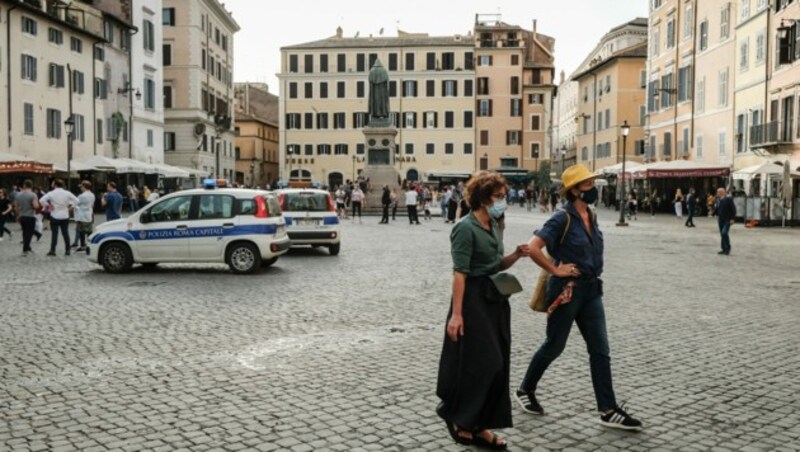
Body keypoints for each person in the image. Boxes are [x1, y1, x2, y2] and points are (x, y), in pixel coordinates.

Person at [516, 164, 643, 431]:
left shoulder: (592, 216)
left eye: (591, 184)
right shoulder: (561, 218)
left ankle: (608, 410)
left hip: (591, 290)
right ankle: (525, 389)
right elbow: (533, 247)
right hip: (567, 291)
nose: (592, 189)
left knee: (600, 349)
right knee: (554, 345)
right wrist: (555, 269)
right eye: (587, 185)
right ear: (574, 191)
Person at [436, 171, 529, 449]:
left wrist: (515, 254)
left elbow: (496, 264)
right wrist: (456, 315)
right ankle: (459, 417)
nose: (504, 201)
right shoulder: (465, 228)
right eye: (499, 197)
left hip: (496, 299)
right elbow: (459, 274)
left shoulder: (496, 224)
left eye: (504, 196)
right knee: (485, 363)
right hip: (473, 300)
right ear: (483, 197)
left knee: (499, 365)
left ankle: (481, 426)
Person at [39, 179, 79, 256]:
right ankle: (67, 250)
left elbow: (41, 200)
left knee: (54, 234)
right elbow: (77, 200)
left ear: (55, 185)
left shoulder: (51, 193)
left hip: (55, 214)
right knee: (65, 233)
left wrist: (48, 206)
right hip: (65, 214)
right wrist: (71, 207)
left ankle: (52, 250)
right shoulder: (67, 193)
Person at [14, 180, 41, 255]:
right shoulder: (33, 195)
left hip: (22, 216)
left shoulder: (18, 195)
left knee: (24, 231)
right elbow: (36, 206)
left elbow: (16, 207)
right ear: (31, 186)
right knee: (29, 232)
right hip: (30, 216)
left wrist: (17, 216)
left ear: (24, 186)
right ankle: (25, 248)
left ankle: (28, 247)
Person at [74, 181, 96, 252]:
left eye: (81, 187)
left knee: (81, 231)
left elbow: (76, 203)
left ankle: (83, 245)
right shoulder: (92, 195)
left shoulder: (82, 196)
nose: (81, 188)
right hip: (89, 214)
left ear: (84, 187)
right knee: (89, 231)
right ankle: (90, 244)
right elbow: (92, 205)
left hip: (82, 215)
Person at [715, 187, 736, 255]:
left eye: (718, 192)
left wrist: (732, 218)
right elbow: (718, 209)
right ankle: (723, 248)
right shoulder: (718, 200)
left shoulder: (728, 199)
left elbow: (733, 209)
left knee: (724, 232)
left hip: (727, 219)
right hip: (721, 219)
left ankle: (728, 247)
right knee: (722, 234)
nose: (717, 193)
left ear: (722, 192)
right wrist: (716, 215)